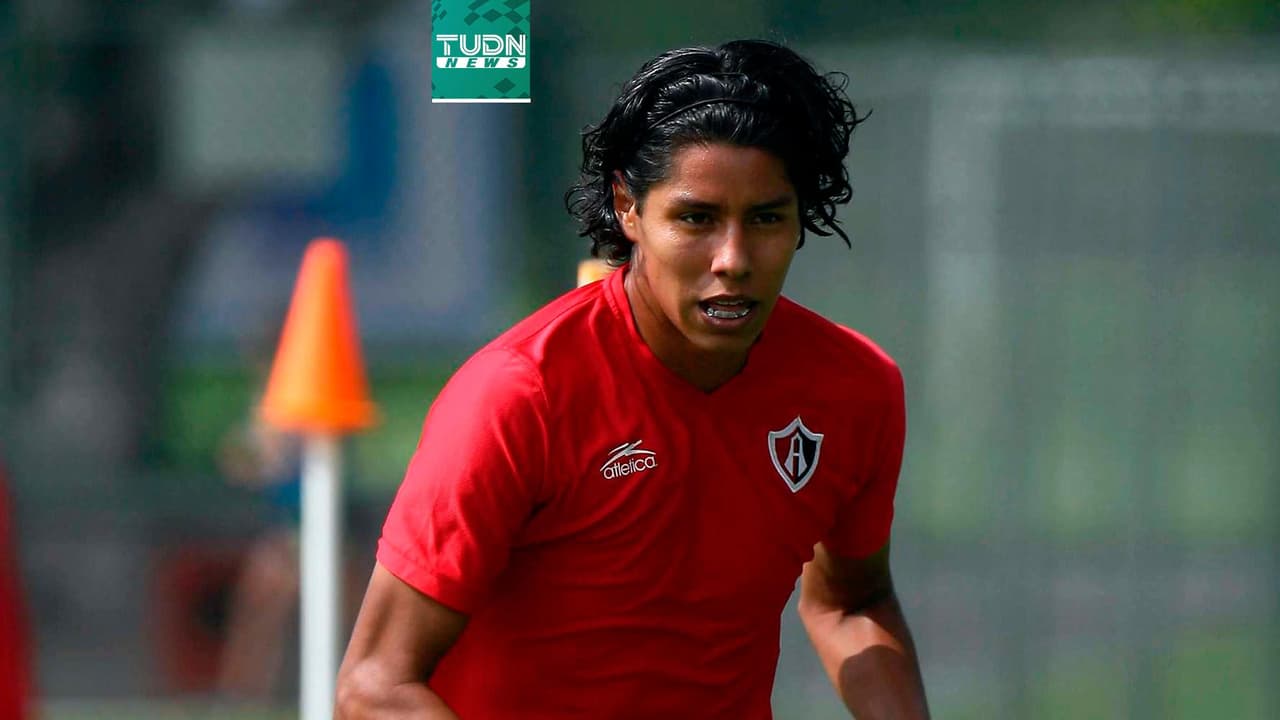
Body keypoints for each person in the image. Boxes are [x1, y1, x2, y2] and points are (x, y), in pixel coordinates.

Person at [337, 39, 929, 719]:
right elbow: (373, 686)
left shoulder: (855, 387)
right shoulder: (519, 396)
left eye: (766, 218)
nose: (733, 258)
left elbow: (852, 603)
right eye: (696, 219)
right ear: (628, 207)